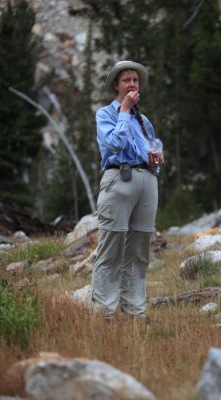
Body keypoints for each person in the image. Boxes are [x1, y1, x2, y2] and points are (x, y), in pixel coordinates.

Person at [92, 60, 163, 320]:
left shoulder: (144, 120)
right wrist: (124, 110)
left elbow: (152, 147)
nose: (133, 84)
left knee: (138, 252)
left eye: (135, 80)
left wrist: (156, 159)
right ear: (116, 85)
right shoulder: (106, 114)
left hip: (146, 181)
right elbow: (113, 143)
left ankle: (135, 313)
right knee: (111, 249)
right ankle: (104, 315)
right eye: (126, 80)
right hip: (118, 180)